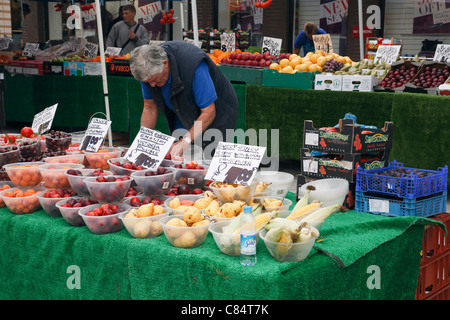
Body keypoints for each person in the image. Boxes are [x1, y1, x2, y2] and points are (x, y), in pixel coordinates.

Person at [129, 41, 239, 159]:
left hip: (217, 113)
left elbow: (208, 112)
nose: (152, 85)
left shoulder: (193, 66)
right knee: (179, 155)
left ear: (165, 63)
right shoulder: (148, 71)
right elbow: (149, 108)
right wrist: (142, 143)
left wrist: (185, 140)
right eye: (147, 82)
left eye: (155, 79)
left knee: (207, 158)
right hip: (180, 109)